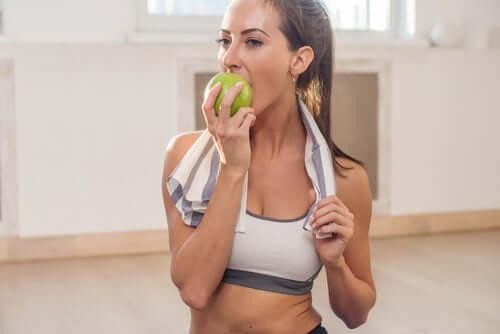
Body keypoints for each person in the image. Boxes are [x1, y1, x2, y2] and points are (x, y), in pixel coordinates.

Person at [161, 0, 377, 332]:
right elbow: (195, 290)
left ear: (299, 60)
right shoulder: (186, 157)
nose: (229, 59)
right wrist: (232, 169)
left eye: (253, 41)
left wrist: (335, 264)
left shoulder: (343, 180)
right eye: (225, 41)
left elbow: (356, 315)